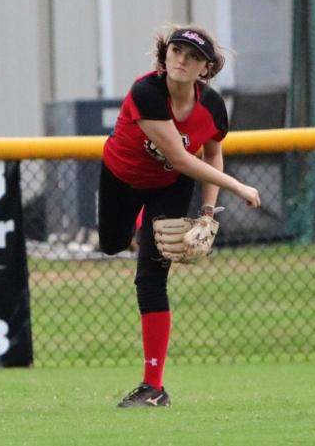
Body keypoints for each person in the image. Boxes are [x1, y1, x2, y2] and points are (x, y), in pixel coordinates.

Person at [99, 24, 261, 408]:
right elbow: (178, 155)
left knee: (150, 279)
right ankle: (140, 229)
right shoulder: (147, 92)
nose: (182, 60)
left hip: (170, 187)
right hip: (122, 177)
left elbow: (211, 152)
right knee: (111, 244)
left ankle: (153, 386)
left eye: (194, 57)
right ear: (165, 55)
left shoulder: (213, 106)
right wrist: (238, 187)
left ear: (206, 69)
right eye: (177, 51)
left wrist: (207, 212)